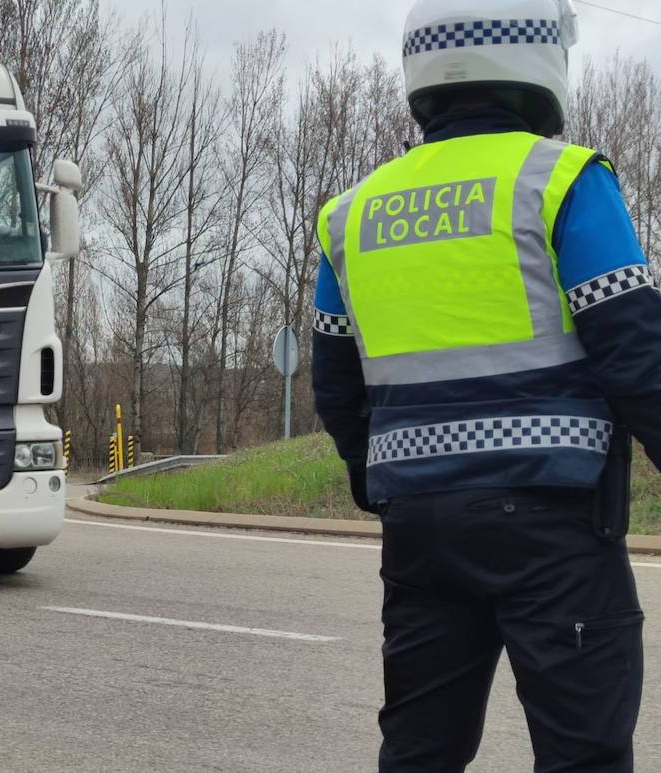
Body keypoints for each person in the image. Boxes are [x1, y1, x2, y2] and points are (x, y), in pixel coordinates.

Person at [312, 0, 659, 769]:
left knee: (419, 751)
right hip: (553, 525)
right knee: (584, 755)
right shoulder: (563, 181)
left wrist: (388, 486)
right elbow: (640, 356)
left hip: (421, 533)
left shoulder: (352, 214)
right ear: (539, 63)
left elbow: (335, 389)